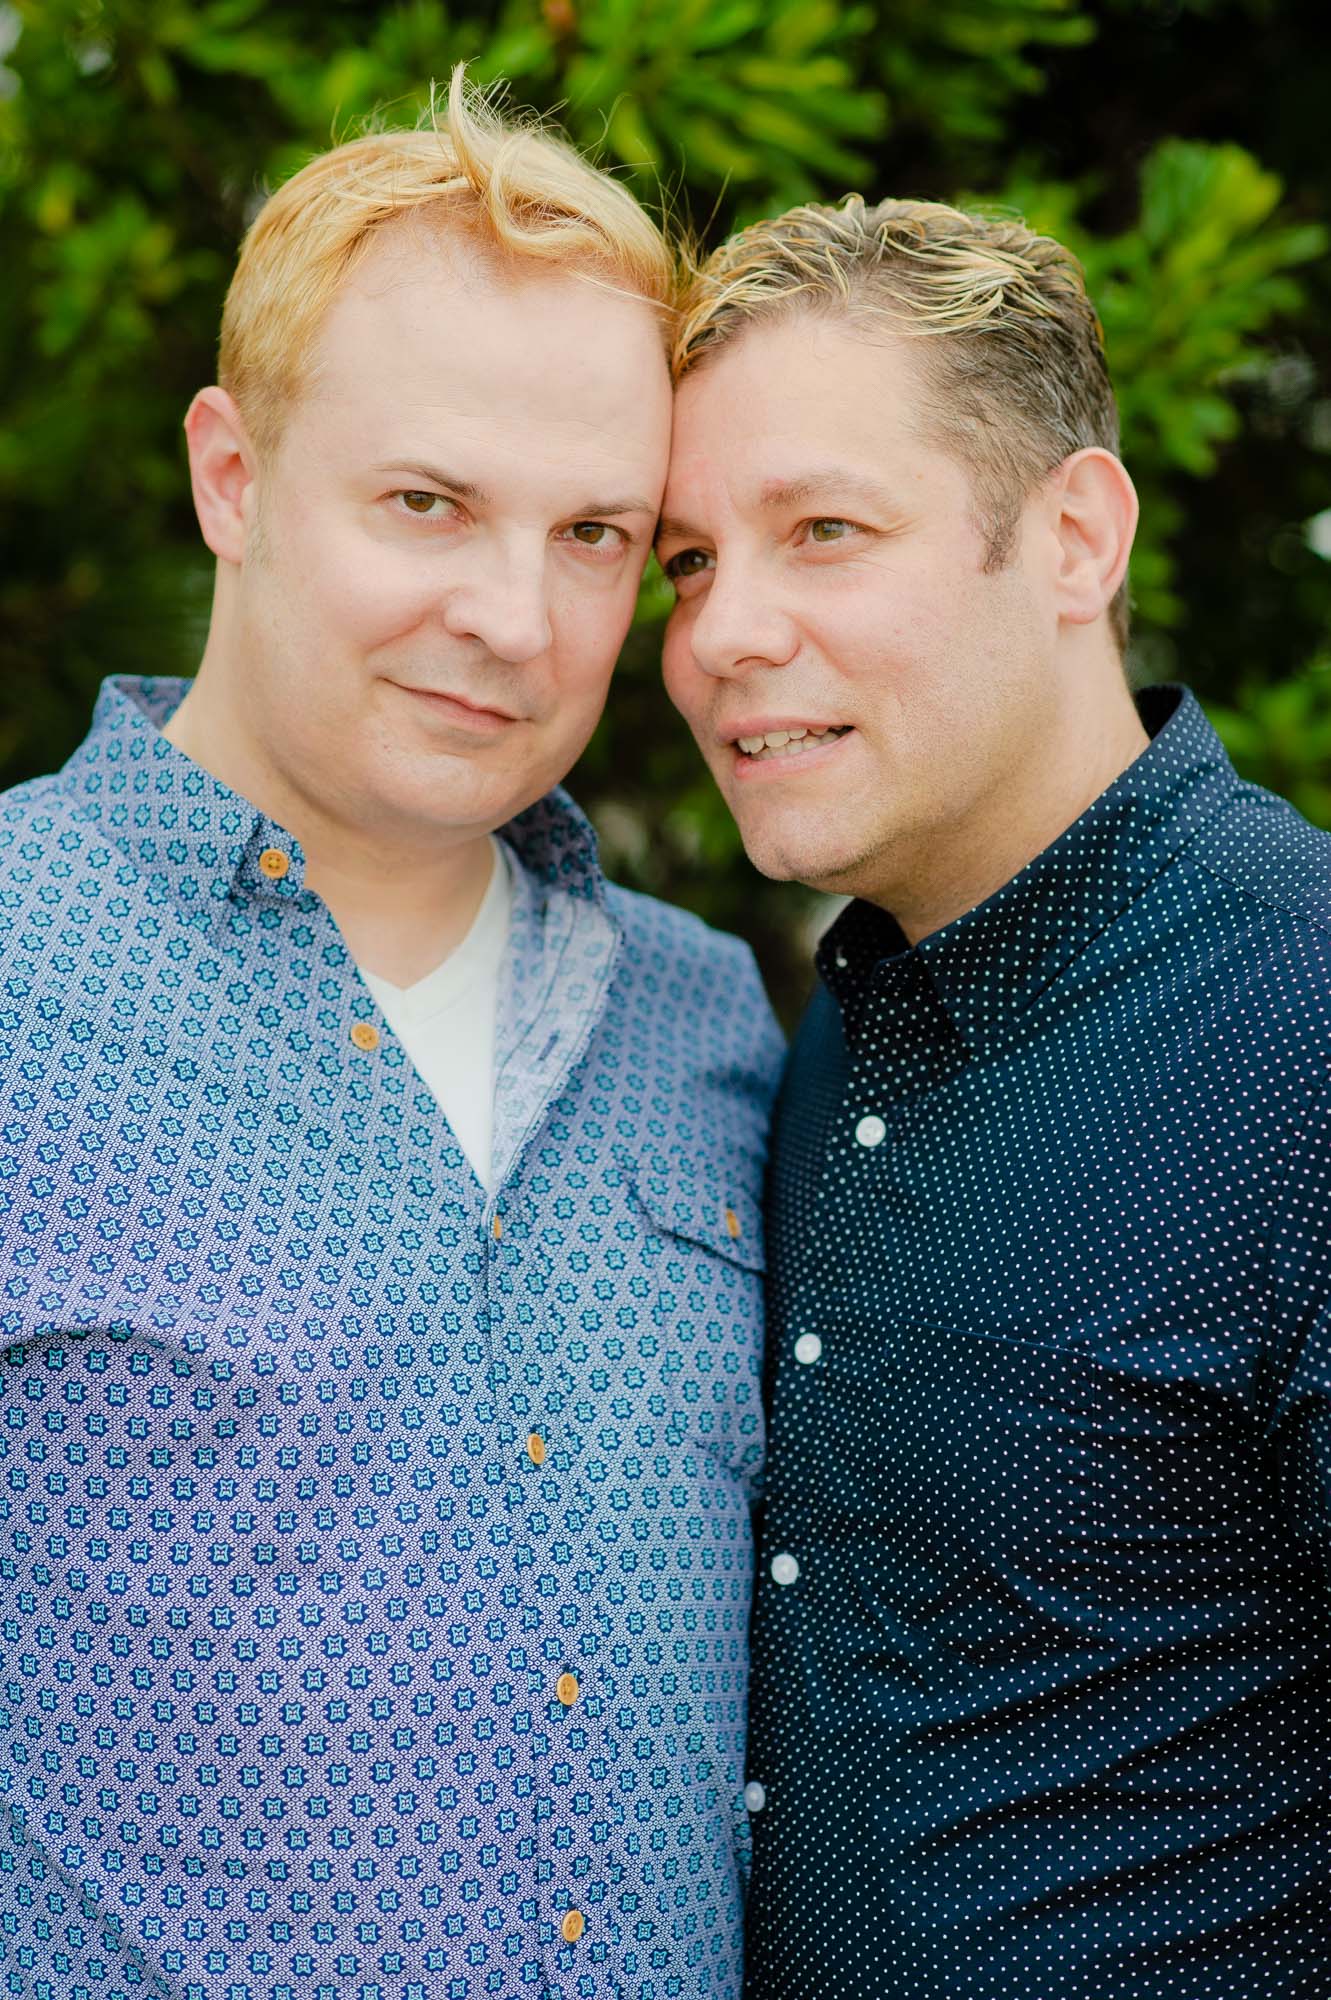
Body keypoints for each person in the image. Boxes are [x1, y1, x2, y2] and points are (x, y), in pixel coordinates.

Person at [0, 78, 782, 2000]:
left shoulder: (714, 1019)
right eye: (425, 501)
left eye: (595, 531)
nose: (513, 618)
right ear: (233, 475)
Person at [659, 194, 1331, 1998]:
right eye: (689, 561)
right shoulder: (823, 1029)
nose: (725, 631)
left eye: (823, 531)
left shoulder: (1306, 1029)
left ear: (1074, 537)